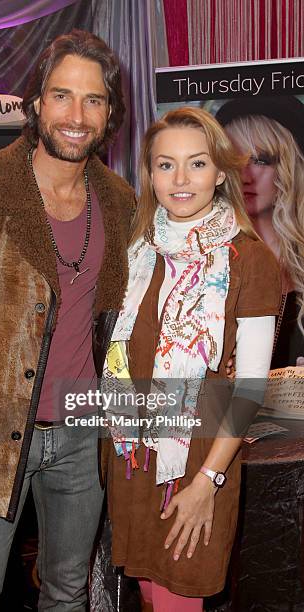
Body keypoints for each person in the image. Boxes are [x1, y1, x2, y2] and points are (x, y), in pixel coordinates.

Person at [0, 30, 135, 611]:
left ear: (109, 113)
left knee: (67, 594)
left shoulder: (121, 202)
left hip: (82, 438)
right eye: (62, 96)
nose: (76, 115)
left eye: (93, 100)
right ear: (36, 104)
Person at [103, 107, 281, 611]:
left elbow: (249, 389)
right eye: (166, 165)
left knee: (181, 599)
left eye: (196, 163)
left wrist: (208, 481)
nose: (181, 180)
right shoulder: (137, 250)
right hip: (134, 458)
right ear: (149, 173)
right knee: (150, 597)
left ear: (220, 173)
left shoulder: (250, 260)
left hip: (200, 462)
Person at [216, 97, 304, 367]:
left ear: (290, 168)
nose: (245, 175)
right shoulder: (205, 261)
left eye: (261, 160)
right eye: (234, 160)